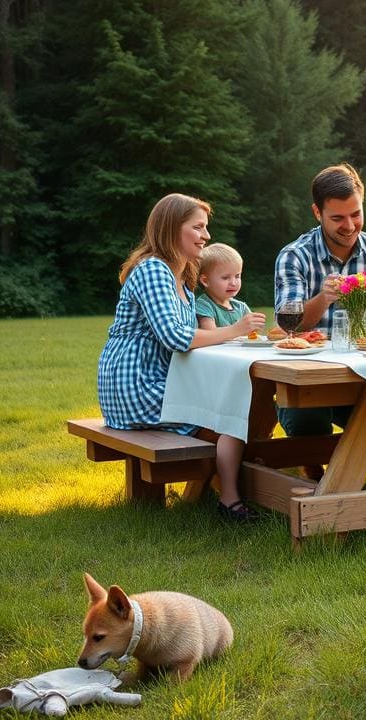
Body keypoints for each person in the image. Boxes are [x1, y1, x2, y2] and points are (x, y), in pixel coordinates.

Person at [97, 194, 265, 521]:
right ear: (173, 229)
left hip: (160, 380)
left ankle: (237, 485)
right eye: (198, 227)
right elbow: (176, 337)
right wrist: (235, 330)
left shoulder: (183, 278)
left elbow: (194, 339)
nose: (206, 236)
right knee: (231, 411)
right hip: (135, 386)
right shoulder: (153, 270)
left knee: (243, 404)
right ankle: (231, 500)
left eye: (206, 228)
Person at [273, 163, 366, 447]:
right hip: (309, 377)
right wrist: (324, 297)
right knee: (309, 426)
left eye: (356, 214)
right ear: (317, 213)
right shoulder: (294, 256)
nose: (349, 226)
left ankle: (347, 479)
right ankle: (313, 475)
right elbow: (289, 325)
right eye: (338, 218)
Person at [194, 242, 265, 518]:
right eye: (225, 277)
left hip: (242, 373)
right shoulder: (205, 305)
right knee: (233, 426)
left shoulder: (241, 306)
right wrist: (239, 329)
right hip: (219, 380)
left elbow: (251, 339)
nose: (233, 282)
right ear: (204, 279)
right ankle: (228, 495)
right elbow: (212, 337)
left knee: (262, 410)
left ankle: (253, 468)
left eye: (237, 276)